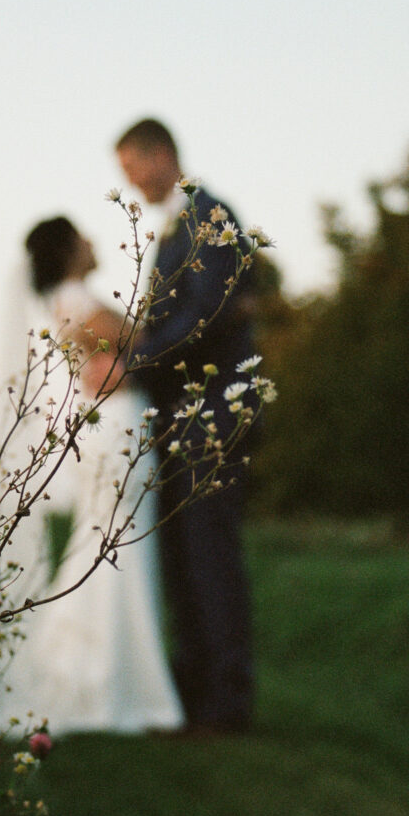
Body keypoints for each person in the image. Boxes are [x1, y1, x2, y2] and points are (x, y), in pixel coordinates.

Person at [0, 216, 184, 737]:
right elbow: (149, 342)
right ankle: (104, 682)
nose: (94, 241)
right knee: (116, 548)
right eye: (84, 236)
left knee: (104, 544)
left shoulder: (68, 302)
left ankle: (109, 674)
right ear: (69, 251)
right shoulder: (82, 303)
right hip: (116, 427)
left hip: (108, 428)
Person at [115, 118, 257, 734]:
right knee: (181, 556)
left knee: (208, 555)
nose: (127, 182)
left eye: (130, 168)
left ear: (161, 154)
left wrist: (132, 363)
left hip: (214, 410)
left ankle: (225, 704)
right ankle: (189, 697)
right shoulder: (180, 225)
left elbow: (209, 311)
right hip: (180, 411)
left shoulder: (209, 215)